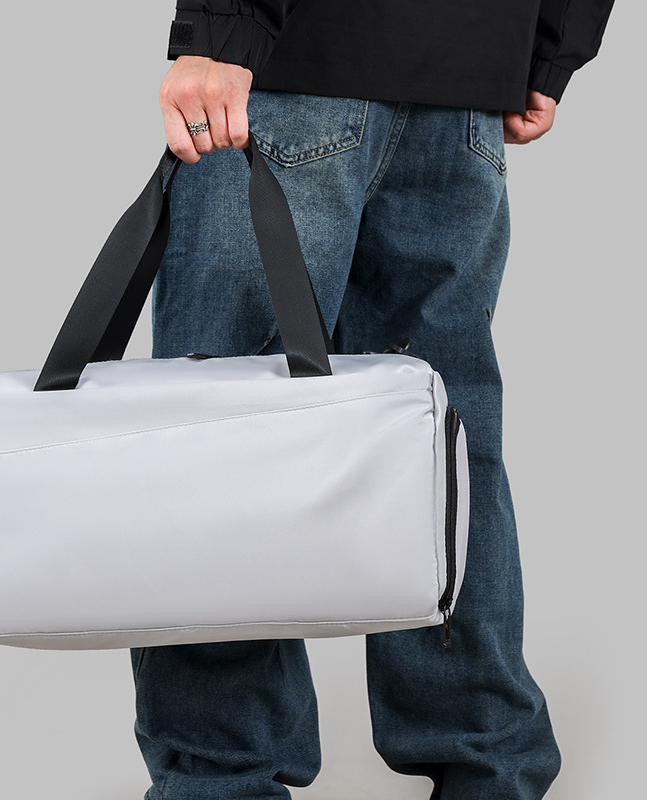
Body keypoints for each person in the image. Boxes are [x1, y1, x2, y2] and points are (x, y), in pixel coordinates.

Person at [130, 2, 615, 798]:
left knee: (218, 443)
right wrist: (549, 47)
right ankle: (487, 769)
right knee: (442, 448)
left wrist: (225, 27)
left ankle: (223, 778)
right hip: (468, 90)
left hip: (297, 65)